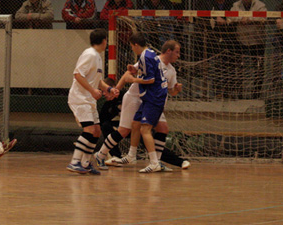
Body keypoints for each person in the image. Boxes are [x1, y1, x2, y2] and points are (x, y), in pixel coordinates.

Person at [95, 40, 190, 171]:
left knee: (162, 128)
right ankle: (101, 154)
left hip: (151, 101)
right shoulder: (150, 58)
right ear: (169, 51)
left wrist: (176, 90)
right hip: (135, 97)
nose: (179, 55)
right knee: (126, 130)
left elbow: (171, 91)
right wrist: (116, 90)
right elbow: (128, 74)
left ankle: (154, 161)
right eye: (177, 52)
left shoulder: (172, 70)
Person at [66, 29, 119, 175]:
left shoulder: (98, 57)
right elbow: (78, 74)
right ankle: (75, 162)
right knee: (89, 130)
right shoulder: (89, 54)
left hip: (88, 100)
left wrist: (108, 89)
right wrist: (92, 90)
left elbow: (97, 81)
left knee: (96, 131)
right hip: (80, 98)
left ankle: (85, 163)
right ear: (103, 41)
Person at [228, 0, 267, 99]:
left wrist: (250, 19)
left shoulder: (260, 5)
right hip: (242, 40)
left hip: (257, 41)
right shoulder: (236, 5)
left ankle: (256, 93)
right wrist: (241, 19)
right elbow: (230, 17)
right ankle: (240, 92)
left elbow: (263, 18)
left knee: (258, 67)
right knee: (240, 67)